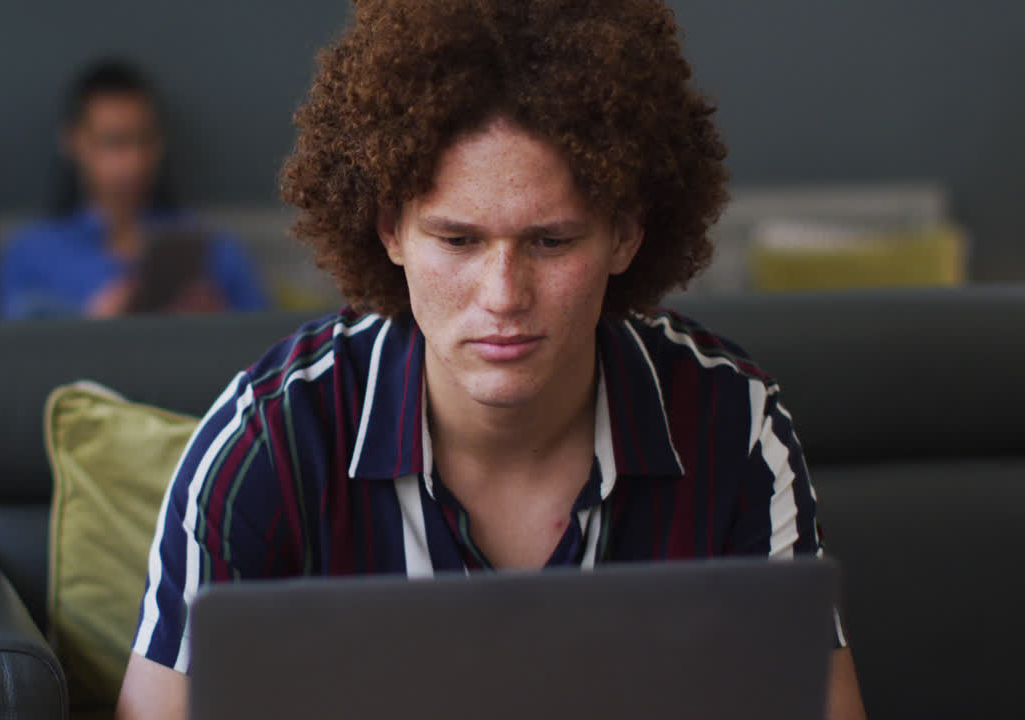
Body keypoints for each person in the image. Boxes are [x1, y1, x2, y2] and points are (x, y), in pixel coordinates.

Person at [117, 1, 867, 718]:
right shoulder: (269, 437)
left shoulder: (731, 423)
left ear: (626, 234)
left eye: (551, 241)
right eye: (458, 240)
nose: (504, 295)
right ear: (390, 231)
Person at [0, 59, 269, 320]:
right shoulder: (31, 255)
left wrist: (212, 325)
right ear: (72, 141)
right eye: (115, 142)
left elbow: (265, 347)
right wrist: (91, 325)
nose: (134, 161)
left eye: (144, 141)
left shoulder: (213, 250)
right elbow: (7, 356)